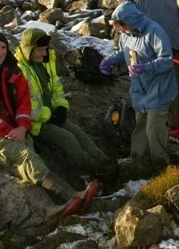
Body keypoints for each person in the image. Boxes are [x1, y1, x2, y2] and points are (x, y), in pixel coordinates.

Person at [0, 29, 99, 217]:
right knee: (24, 156)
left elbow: (24, 99)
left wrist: (23, 126)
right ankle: (71, 196)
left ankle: (49, 209)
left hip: (14, 129)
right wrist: (10, 131)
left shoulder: (10, 70)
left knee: (23, 165)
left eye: (3, 48)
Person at [14, 27, 109, 174]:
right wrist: (49, 116)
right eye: (40, 50)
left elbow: (57, 88)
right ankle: (99, 171)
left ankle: (107, 163)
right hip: (36, 123)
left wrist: (61, 107)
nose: (44, 53)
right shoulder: (19, 70)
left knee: (79, 134)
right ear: (29, 49)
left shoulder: (44, 62)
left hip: (52, 115)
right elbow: (25, 105)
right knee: (67, 138)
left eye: (45, 49)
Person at [100, 1, 177, 169]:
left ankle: (160, 166)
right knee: (140, 126)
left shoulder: (155, 31)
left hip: (159, 87)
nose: (121, 30)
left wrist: (146, 68)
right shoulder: (126, 35)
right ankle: (138, 163)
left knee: (154, 129)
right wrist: (110, 61)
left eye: (122, 26)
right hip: (139, 88)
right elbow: (124, 52)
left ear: (131, 21)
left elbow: (167, 60)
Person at [126, 0, 179, 140]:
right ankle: (178, 128)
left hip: (148, 47)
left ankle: (152, 126)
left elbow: (126, 22)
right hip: (173, 45)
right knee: (173, 86)